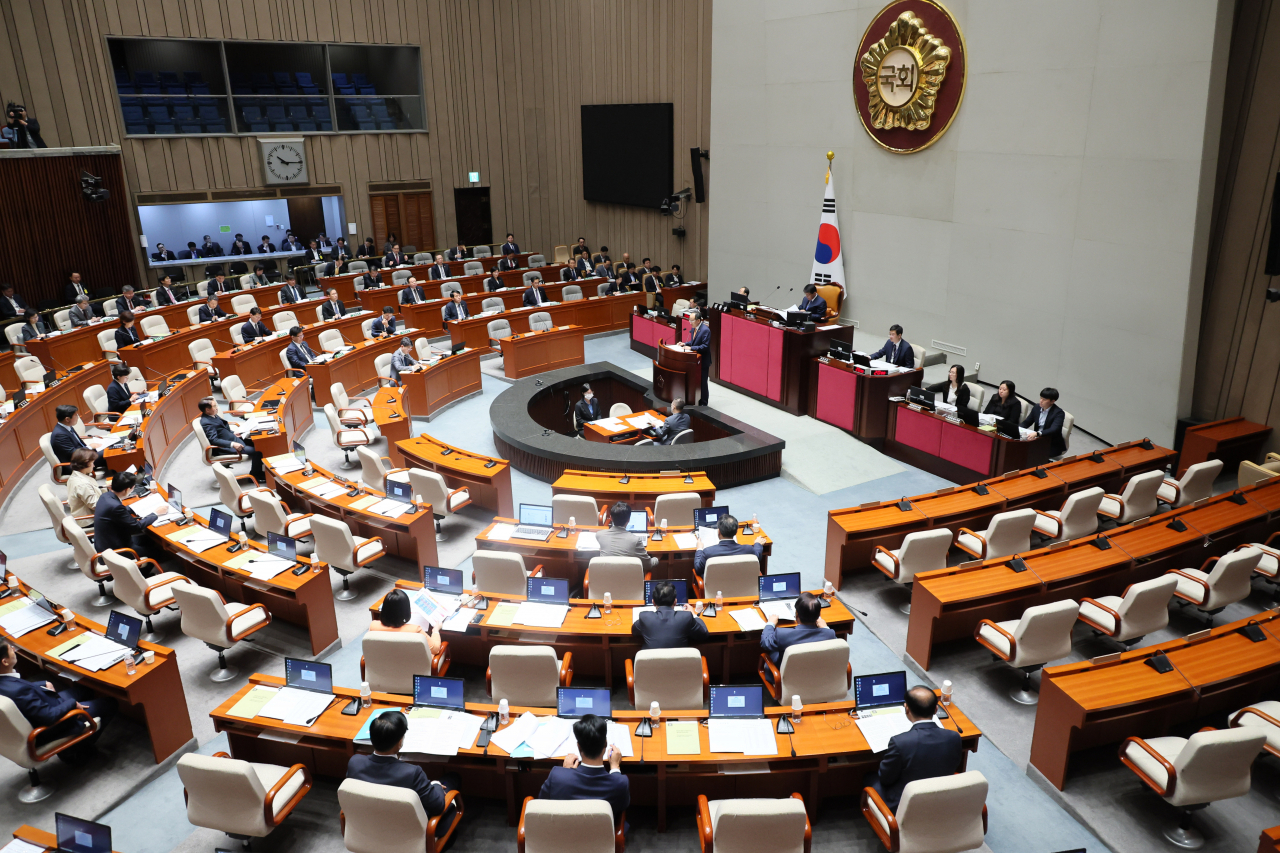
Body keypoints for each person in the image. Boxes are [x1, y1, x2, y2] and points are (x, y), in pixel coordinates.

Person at [0, 640, 115, 764]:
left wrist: (43, 683)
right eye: (10, 649)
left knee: (84, 689)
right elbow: (48, 717)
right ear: (5, 662)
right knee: (110, 703)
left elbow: (20, 690)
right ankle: (76, 751)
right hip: (51, 725)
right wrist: (73, 704)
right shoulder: (19, 691)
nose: (13, 648)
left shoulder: (8, 682)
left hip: (41, 708)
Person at [346, 711, 459, 822]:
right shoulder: (412, 773)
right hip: (408, 830)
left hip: (367, 824)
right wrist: (436, 784)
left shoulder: (354, 763)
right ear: (400, 742)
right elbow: (437, 807)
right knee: (452, 778)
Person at [867, 686, 964, 812]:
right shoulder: (954, 737)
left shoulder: (900, 742)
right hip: (942, 799)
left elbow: (886, 778)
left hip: (905, 805)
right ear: (936, 709)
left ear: (907, 709)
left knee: (870, 778)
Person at [539, 714, 629, 829]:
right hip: (600, 840)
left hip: (564, 837)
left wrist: (566, 773)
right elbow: (623, 805)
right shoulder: (620, 783)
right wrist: (615, 767)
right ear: (605, 744)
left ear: (578, 746)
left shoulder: (557, 776)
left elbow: (542, 803)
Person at [760, 592, 835, 681]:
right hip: (818, 678)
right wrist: (825, 628)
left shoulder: (782, 634)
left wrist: (770, 623)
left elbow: (765, 642)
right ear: (818, 616)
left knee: (775, 651)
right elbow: (838, 647)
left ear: (797, 615)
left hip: (785, 679)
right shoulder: (830, 635)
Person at [200, 396, 264, 482]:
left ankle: (261, 469)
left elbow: (222, 428)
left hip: (233, 438)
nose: (217, 408)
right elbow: (214, 440)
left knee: (260, 442)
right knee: (258, 451)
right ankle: (255, 476)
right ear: (207, 410)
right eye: (214, 406)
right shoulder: (207, 422)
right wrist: (233, 444)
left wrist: (233, 433)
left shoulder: (212, 415)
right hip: (226, 447)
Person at [93, 471, 159, 554]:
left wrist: (146, 501)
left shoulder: (105, 496)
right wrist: (156, 513)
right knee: (158, 552)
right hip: (116, 549)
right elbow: (137, 526)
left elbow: (121, 510)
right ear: (127, 489)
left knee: (149, 539)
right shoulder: (115, 506)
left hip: (106, 542)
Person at [631, 581, 708, 650]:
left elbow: (634, 631)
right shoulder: (686, 617)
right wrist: (693, 614)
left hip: (651, 665)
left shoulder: (645, 617)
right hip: (680, 665)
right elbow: (704, 634)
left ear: (653, 602)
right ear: (675, 602)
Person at [370, 589, 442, 654]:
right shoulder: (415, 630)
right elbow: (435, 650)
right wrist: (435, 631)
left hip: (384, 666)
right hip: (414, 667)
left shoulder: (373, 627)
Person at [693, 514, 765, 579]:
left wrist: (699, 548)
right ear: (736, 531)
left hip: (716, 590)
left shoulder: (708, 552)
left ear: (719, 532)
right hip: (742, 587)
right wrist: (758, 543)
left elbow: (698, 569)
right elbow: (757, 556)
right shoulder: (748, 550)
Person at [595, 502, 656, 570]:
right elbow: (648, 564)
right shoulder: (635, 540)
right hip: (629, 580)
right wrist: (656, 558)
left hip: (605, 579)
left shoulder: (599, 535)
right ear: (629, 520)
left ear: (611, 518)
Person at [51, 405, 104, 470]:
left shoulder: (67, 426)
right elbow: (73, 453)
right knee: (106, 454)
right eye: (76, 415)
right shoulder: (59, 435)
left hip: (83, 455)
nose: (78, 417)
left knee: (108, 449)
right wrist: (90, 447)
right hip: (76, 463)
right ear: (67, 419)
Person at [1022, 387, 1066, 456]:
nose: (1041, 401)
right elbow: (1027, 422)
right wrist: (1017, 429)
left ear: (1052, 401)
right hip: (1037, 439)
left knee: (1032, 454)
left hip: (1051, 443)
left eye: (1044, 399)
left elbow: (1054, 429)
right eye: (1041, 398)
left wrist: (1038, 433)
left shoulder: (1059, 413)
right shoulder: (1037, 407)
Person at [65, 447, 102, 520]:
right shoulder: (82, 484)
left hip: (84, 515)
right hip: (89, 520)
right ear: (87, 463)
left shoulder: (74, 475)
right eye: (92, 463)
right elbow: (95, 506)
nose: (94, 466)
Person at [686, 309, 711, 406]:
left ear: (698, 320)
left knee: (702, 382)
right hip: (695, 360)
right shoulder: (694, 328)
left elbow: (705, 346)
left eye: (691, 321)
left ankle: (704, 403)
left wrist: (691, 347)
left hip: (703, 361)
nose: (690, 323)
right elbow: (694, 342)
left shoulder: (705, 330)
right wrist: (685, 344)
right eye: (689, 320)